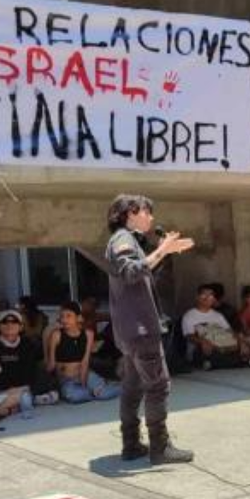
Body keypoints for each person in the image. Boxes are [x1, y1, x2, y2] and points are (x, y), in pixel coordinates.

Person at [106, 193, 194, 463]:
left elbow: (140, 277)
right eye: (146, 212)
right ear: (130, 213)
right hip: (140, 330)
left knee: (133, 386)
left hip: (131, 330)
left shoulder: (128, 240)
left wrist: (165, 253)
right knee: (157, 386)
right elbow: (131, 271)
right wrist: (162, 250)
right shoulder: (122, 240)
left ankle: (131, 444)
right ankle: (160, 447)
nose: (151, 217)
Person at [46, 301, 120, 404]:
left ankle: (121, 386)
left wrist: (83, 383)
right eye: (62, 316)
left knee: (105, 394)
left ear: (78, 318)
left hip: (86, 375)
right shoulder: (57, 335)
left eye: (68, 316)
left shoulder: (88, 334)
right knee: (75, 397)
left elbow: (85, 361)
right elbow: (51, 365)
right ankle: (95, 391)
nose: (64, 320)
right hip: (67, 380)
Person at [0, 310, 59, 410]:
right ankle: (26, 400)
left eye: (14, 321)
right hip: (2, 389)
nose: (10, 325)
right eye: (5, 322)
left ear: (21, 327)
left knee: (43, 374)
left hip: (25, 386)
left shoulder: (28, 344)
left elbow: (32, 369)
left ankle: (26, 399)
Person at [182, 285, 250, 369]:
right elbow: (189, 336)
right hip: (200, 347)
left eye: (210, 295)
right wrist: (202, 341)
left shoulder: (218, 316)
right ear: (197, 297)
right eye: (204, 295)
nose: (207, 298)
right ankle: (231, 361)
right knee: (208, 350)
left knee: (242, 345)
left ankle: (222, 362)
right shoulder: (189, 315)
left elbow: (230, 331)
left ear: (213, 299)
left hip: (220, 345)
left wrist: (241, 341)